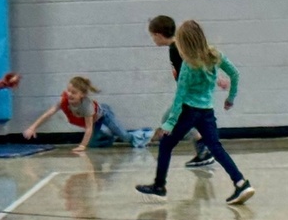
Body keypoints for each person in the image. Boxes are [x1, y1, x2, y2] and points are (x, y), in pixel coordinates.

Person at [136, 20, 255, 205]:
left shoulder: (188, 66)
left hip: (188, 110)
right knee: (216, 147)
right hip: (206, 111)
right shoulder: (214, 55)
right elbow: (235, 74)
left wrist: (169, 122)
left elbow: (180, 96)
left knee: (166, 145)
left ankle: (159, 187)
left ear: (184, 43)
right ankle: (241, 183)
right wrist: (230, 98)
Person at [149, 14, 229, 168]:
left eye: (153, 36)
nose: (153, 40)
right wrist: (217, 79)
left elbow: (196, 64)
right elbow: (200, 61)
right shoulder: (177, 46)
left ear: (158, 35)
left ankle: (203, 148)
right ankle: (203, 151)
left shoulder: (176, 49)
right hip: (190, 95)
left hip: (189, 96)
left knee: (168, 119)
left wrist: (215, 79)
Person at [22, 76, 150, 152]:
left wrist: (82, 146)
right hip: (95, 121)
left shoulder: (86, 105)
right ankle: (110, 136)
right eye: (69, 91)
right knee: (93, 145)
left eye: (74, 92)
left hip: (104, 115)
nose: (70, 94)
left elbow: (88, 128)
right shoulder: (64, 101)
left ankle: (146, 133)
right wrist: (33, 127)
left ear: (82, 95)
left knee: (125, 138)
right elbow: (48, 113)